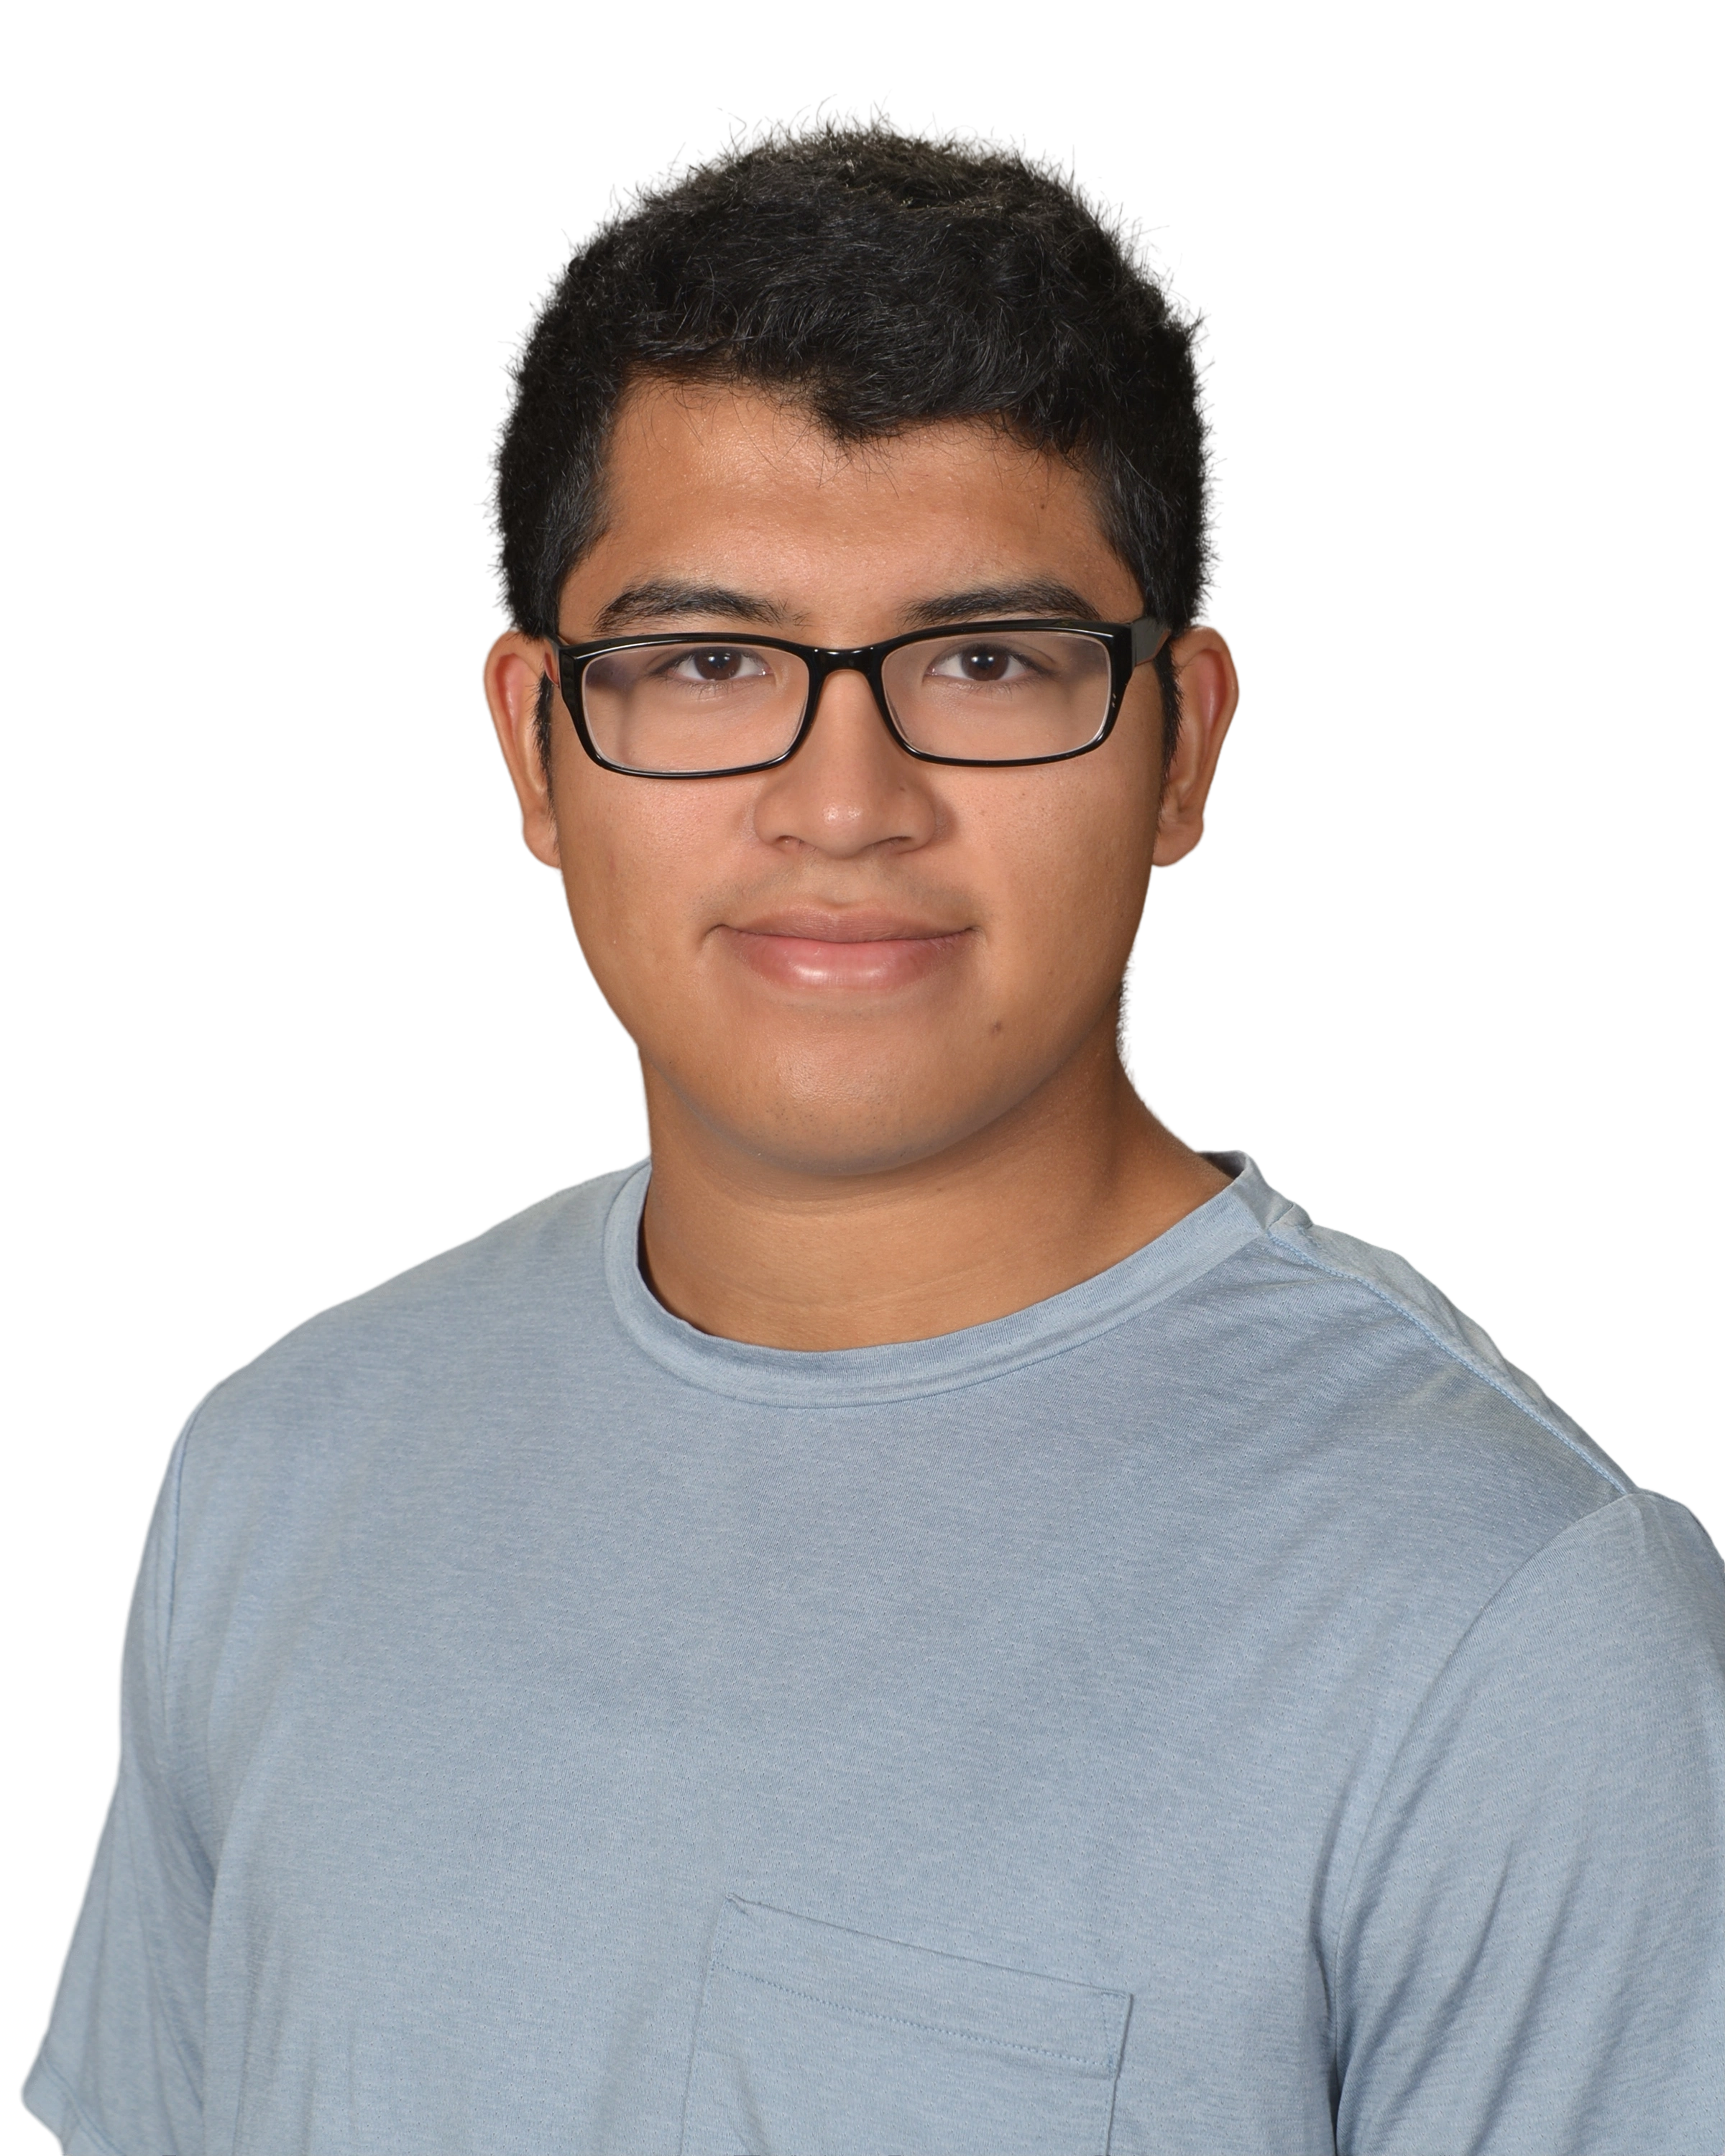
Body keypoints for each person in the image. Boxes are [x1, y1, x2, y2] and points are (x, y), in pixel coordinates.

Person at [19, 95, 1724, 2156]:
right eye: (706, 659)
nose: (844, 805)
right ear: (537, 745)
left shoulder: (1520, 1638)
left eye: (988, 660)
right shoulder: (280, 1473)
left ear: (1181, 747)